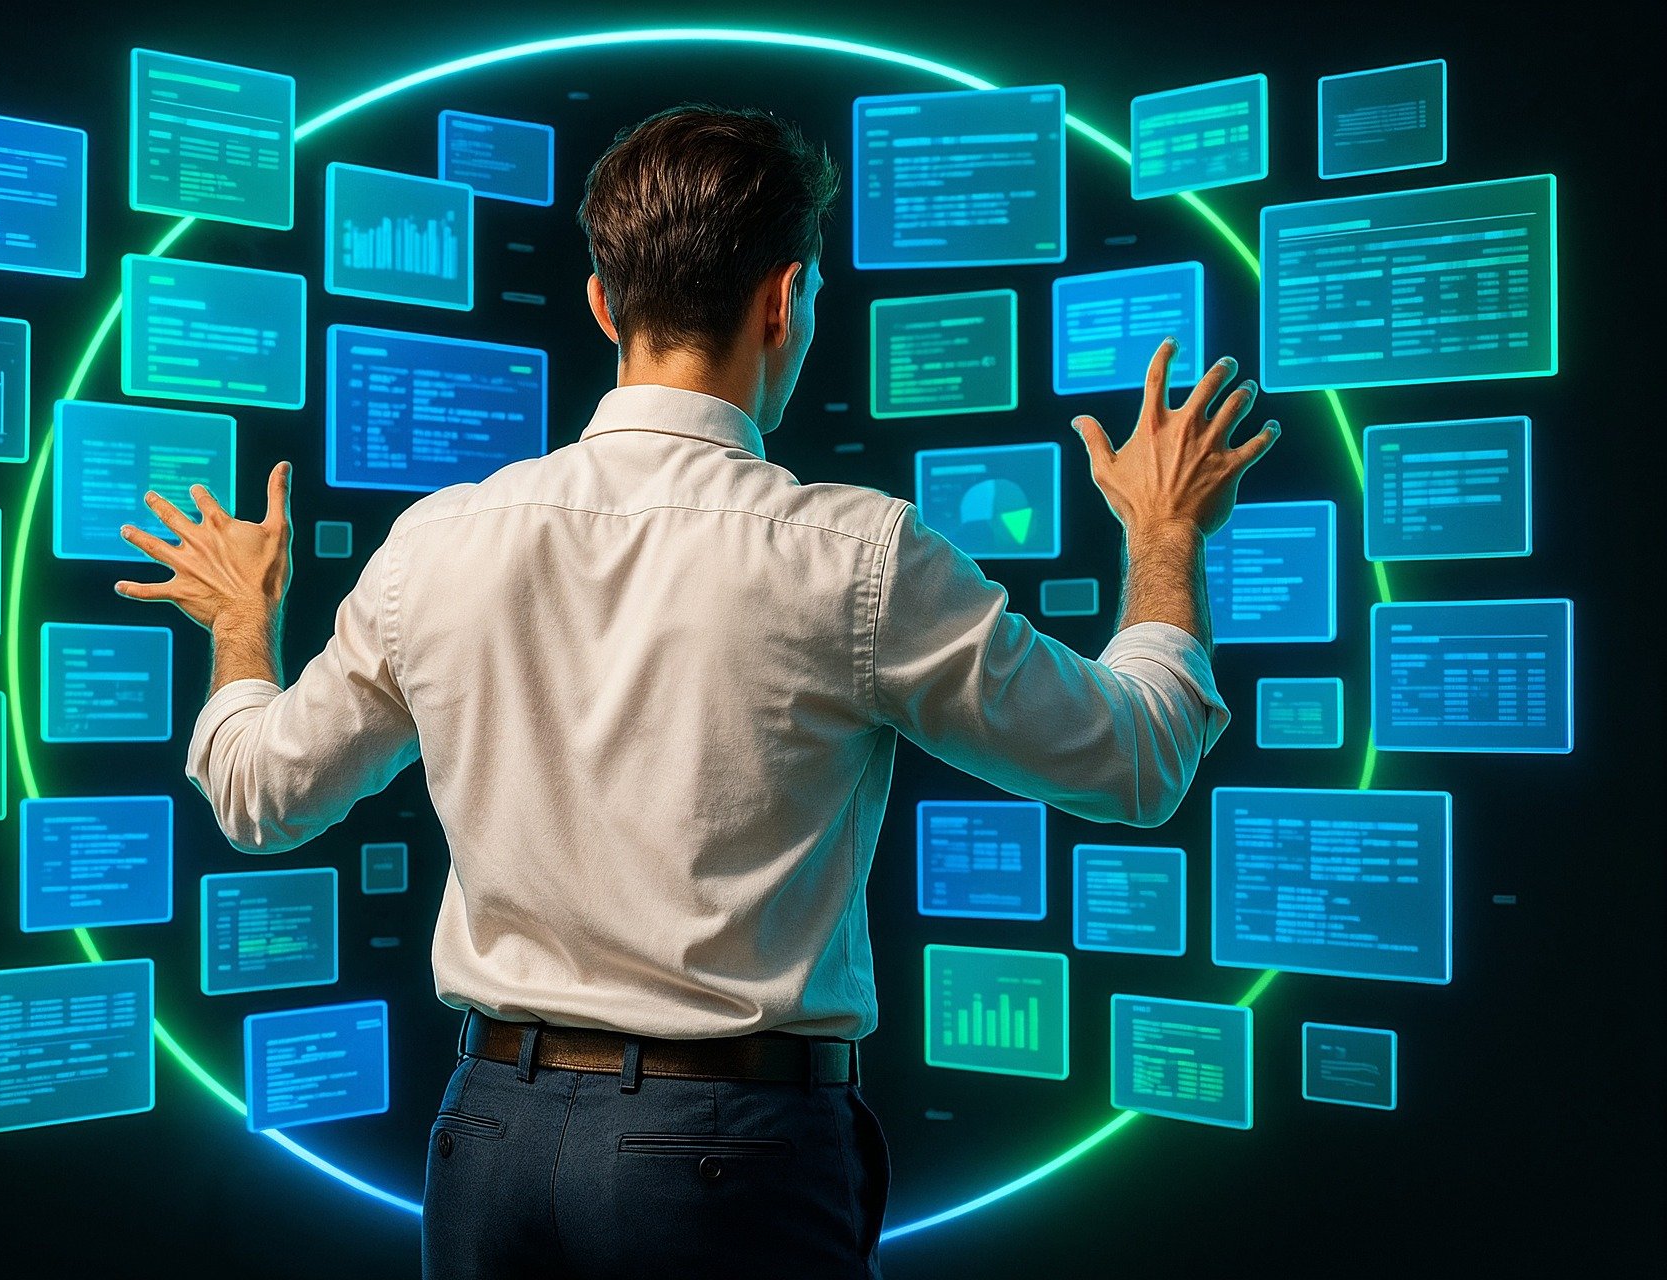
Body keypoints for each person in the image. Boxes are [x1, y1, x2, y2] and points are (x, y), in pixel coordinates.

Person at [114, 103, 1278, 1279]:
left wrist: (240, 626)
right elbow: (1133, 759)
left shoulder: (438, 542)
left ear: (603, 304)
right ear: (785, 301)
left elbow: (262, 793)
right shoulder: (855, 558)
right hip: (732, 1157)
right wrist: (1166, 532)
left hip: (490, 1143)